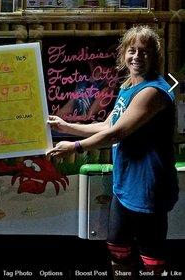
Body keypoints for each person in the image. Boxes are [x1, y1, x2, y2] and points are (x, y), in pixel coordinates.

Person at [46, 25, 179, 277]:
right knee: (118, 250)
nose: (137, 57)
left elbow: (116, 134)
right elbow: (109, 124)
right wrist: (67, 126)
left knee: (152, 261)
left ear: (155, 56)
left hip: (148, 187)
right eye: (132, 51)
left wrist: (74, 146)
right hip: (125, 185)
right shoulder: (129, 85)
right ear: (123, 54)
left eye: (144, 52)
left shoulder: (152, 91)